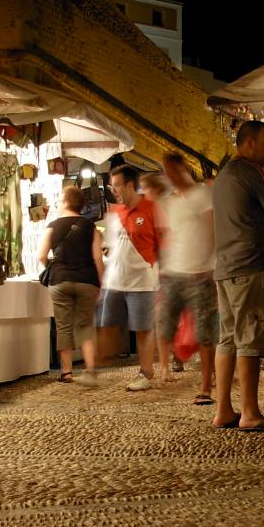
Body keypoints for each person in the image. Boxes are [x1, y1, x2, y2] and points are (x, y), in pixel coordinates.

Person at [211, 120, 264, 432]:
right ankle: (250, 412)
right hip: (249, 266)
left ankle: (223, 410)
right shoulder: (252, 172)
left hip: (225, 267)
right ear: (247, 144)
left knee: (228, 338)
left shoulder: (223, 176)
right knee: (250, 337)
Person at [156, 152, 217, 404]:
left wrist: (211, 263)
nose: (169, 176)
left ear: (183, 169)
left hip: (199, 272)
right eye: (166, 171)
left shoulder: (202, 194)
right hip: (174, 271)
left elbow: (212, 228)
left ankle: (206, 386)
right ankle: (165, 370)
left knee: (205, 332)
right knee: (164, 323)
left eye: (172, 170)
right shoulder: (171, 202)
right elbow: (171, 235)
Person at [96, 165, 164, 391]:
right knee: (107, 325)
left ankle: (146, 372)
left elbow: (163, 243)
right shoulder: (115, 213)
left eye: (115, 185)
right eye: (111, 186)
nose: (113, 190)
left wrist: (159, 271)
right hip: (115, 281)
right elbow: (110, 247)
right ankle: (94, 368)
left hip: (142, 281)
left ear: (128, 185)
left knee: (142, 329)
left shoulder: (151, 208)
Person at [38, 185, 104, 387]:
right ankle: (90, 369)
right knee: (85, 325)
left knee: (63, 326)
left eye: (59, 200)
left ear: (66, 202)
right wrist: (100, 282)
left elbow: (41, 256)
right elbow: (97, 257)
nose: (58, 203)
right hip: (87, 280)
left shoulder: (53, 226)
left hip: (60, 280)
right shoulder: (90, 226)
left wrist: (53, 266)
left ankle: (66, 372)